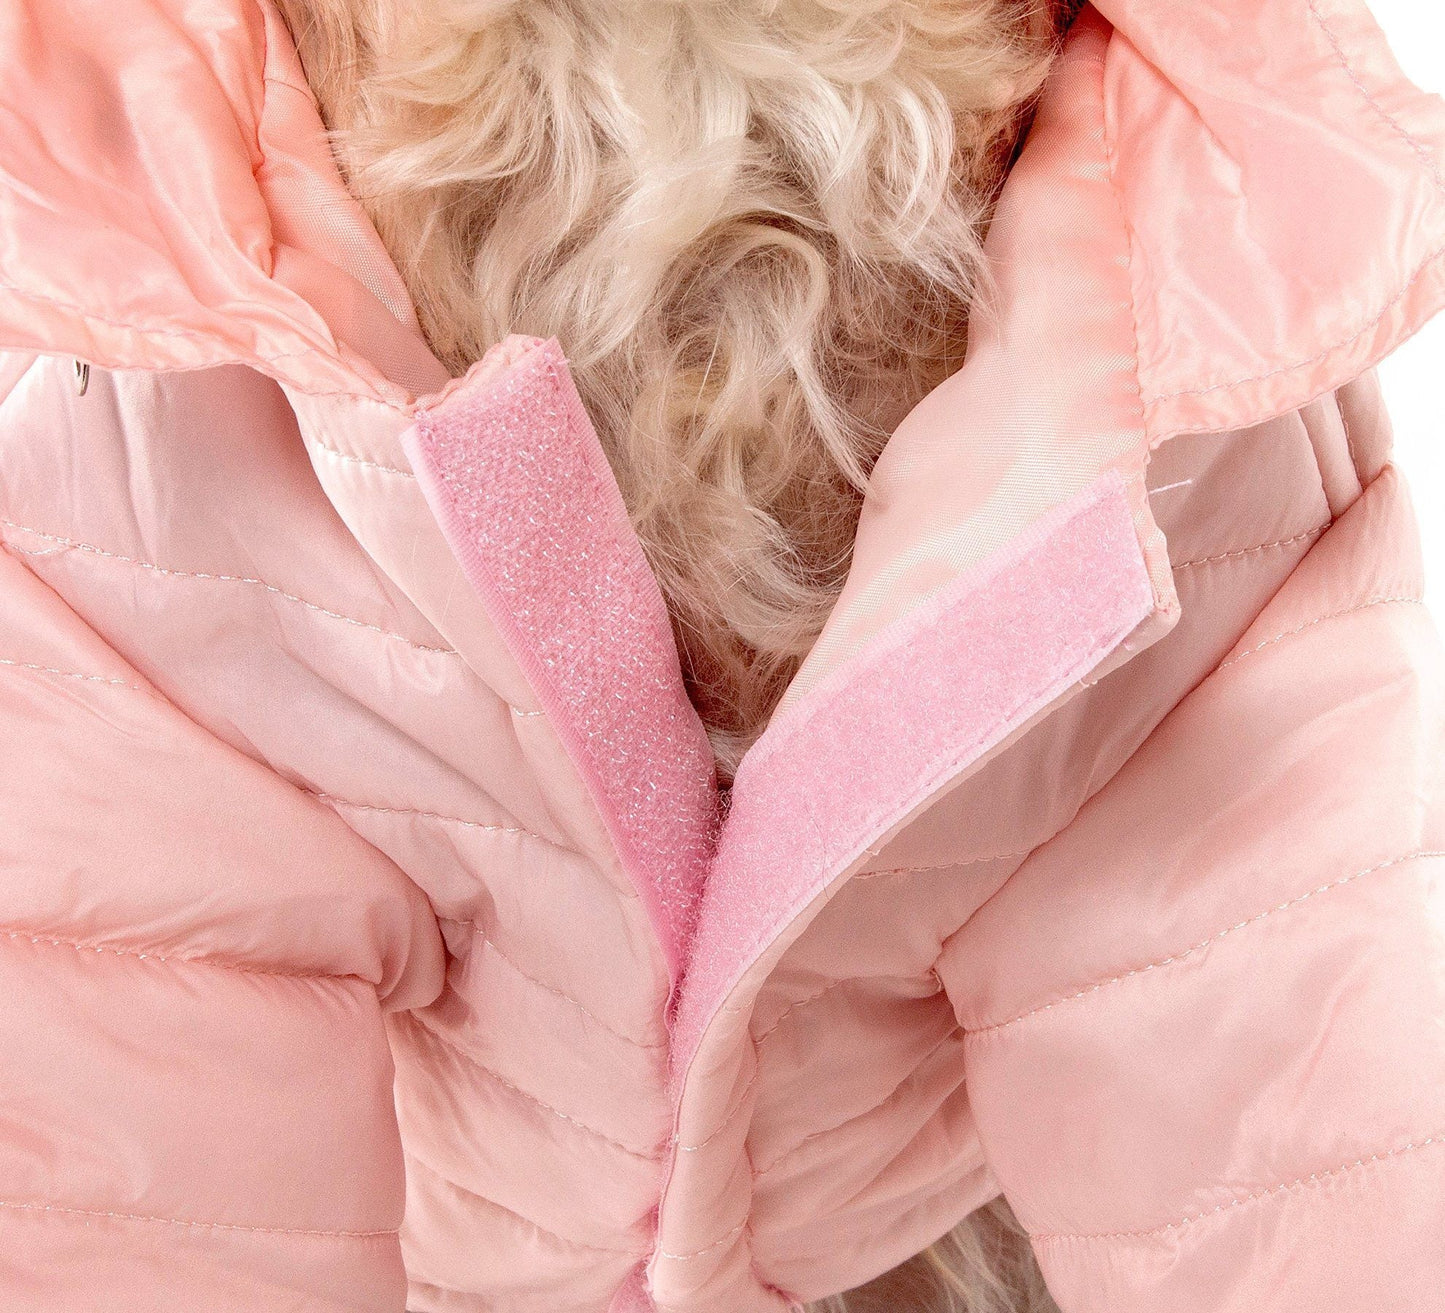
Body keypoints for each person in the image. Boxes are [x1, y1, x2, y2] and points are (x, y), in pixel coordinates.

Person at [0, 0, 1441, 1309]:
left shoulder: (1188, 288)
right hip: (428, 1239)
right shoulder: (155, 304)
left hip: (942, 1228)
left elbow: (1291, 1054)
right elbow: (117, 1113)